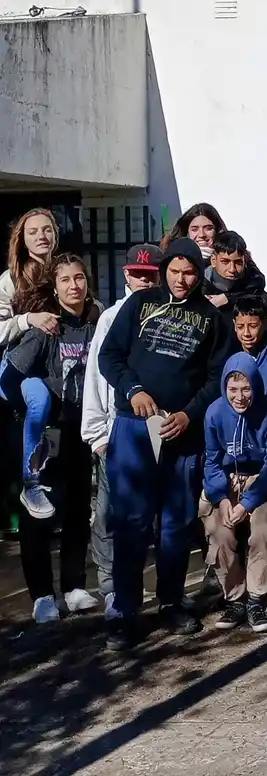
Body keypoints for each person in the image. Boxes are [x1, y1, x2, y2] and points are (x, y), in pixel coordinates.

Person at [97, 237, 236, 649]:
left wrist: (190, 414)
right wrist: (133, 390)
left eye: (189, 272)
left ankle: (171, 602)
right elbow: (110, 356)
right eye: (174, 271)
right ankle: (124, 610)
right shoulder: (139, 304)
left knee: (176, 523)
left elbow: (217, 377)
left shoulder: (212, 318)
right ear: (164, 271)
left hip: (182, 432)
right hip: (135, 427)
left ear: (198, 273)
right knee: (131, 522)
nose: (181, 279)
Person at [3, 254, 101, 623]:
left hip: (80, 430)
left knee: (77, 508)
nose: (74, 285)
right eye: (66, 280)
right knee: (38, 516)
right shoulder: (46, 329)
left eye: (79, 278)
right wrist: (33, 405)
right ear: (55, 289)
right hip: (45, 435)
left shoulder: (96, 325)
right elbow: (9, 378)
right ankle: (42, 595)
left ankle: (74, 587)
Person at [82, 243, 163, 618]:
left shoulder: (170, 314)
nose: (144, 281)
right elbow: (97, 376)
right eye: (138, 274)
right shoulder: (111, 317)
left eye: (151, 275)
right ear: (126, 274)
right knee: (111, 515)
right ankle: (112, 589)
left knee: (156, 517)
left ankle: (160, 588)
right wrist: (97, 434)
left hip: (159, 429)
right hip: (117, 430)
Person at [200, 352, 267, 633]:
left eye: (246, 389)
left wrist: (248, 502)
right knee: (218, 530)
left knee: (261, 528)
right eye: (233, 389)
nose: (239, 397)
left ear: (256, 387)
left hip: (260, 481)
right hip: (226, 482)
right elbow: (211, 461)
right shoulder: (214, 413)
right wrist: (221, 498)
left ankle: (257, 597)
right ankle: (235, 597)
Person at [0, 207, 61, 352]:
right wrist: (27, 320)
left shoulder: (65, 270)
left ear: (55, 235)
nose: (41, 236)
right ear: (23, 240)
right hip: (27, 360)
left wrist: (95, 308)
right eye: (33, 232)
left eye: (47, 230)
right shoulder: (11, 278)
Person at [203, 230, 267, 317]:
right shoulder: (198, 287)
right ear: (213, 260)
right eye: (225, 262)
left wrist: (227, 298)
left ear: (244, 261)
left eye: (238, 262)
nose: (232, 269)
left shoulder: (258, 295)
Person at [161, 202, 226, 260]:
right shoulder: (173, 260)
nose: (202, 235)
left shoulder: (229, 258)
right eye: (194, 229)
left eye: (208, 228)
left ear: (217, 230)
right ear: (186, 232)